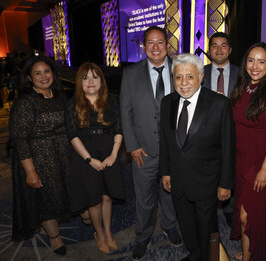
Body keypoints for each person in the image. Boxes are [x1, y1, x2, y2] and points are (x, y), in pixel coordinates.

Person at [160, 53, 236, 261]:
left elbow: (228, 146)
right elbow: (166, 142)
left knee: (207, 226)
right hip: (177, 179)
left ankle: (210, 257)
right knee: (186, 223)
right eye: (178, 77)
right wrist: (165, 172)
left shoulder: (219, 104)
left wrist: (226, 183)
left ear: (201, 77)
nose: (184, 83)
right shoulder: (167, 102)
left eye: (190, 77)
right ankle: (195, 253)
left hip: (207, 181)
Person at [120, 25, 181, 260]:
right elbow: (125, 113)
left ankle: (170, 225)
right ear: (144, 47)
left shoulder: (181, 69)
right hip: (142, 150)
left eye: (160, 42)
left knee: (171, 193)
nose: (156, 47)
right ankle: (143, 236)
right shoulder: (130, 74)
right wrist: (132, 145)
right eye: (150, 43)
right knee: (144, 197)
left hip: (174, 149)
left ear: (167, 45)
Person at [229, 42, 266, 261]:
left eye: (261, 61)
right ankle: (246, 253)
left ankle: (253, 255)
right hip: (241, 159)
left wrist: (264, 169)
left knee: (248, 215)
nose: (255, 66)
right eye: (251, 60)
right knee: (245, 212)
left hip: (260, 162)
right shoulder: (241, 87)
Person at [9, 55, 70, 255]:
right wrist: (30, 171)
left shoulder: (60, 96)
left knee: (63, 194)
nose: (43, 76)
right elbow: (20, 140)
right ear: (28, 77)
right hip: (39, 159)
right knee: (45, 201)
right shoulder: (25, 102)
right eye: (37, 73)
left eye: (47, 71)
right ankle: (55, 238)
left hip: (63, 155)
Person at [64, 62, 125, 254]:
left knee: (107, 197)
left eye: (95, 77)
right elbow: (72, 135)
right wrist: (90, 160)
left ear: (101, 80)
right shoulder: (72, 104)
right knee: (94, 200)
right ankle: (98, 233)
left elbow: (118, 129)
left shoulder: (111, 101)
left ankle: (108, 232)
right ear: (80, 82)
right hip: (85, 155)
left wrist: (114, 154)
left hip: (109, 152)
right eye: (85, 77)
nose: (90, 81)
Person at [204, 32, 239, 227]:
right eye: (214, 46)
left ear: (230, 50)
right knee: (209, 173)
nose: (218, 49)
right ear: (209, 51)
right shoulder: (199, 72)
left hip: (235, 132)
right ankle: (208, 208)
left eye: (223, 45)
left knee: (232, 171)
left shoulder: (242, 73)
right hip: (207, 134)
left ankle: (229, 209)